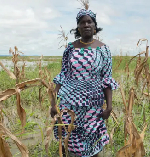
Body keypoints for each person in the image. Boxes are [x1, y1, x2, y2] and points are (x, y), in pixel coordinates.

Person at [50, 8, 119, 157]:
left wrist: (109, 106)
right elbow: (63, 75)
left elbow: (106, 79)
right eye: (82, 22)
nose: (86, 24)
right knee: (70, 136)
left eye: (90, 22)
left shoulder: (103, 49)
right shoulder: (70, 49)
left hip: (93, 103)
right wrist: (53, 103)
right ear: (78, 27)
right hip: (69, 101)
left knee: (92, 138)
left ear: (95, 26)